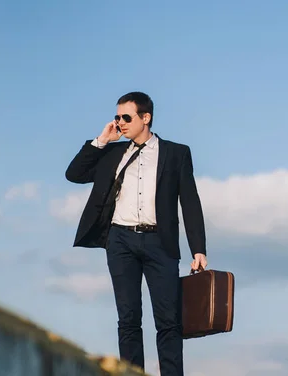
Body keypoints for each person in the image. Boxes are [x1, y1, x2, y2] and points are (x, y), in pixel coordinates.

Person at [65, 91, 207, 376]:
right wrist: (102, 140)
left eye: (126, 117)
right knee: (128, 319)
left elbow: (189, 201)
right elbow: (74, 174)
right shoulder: (112, 153)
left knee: (168, 320)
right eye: (117, 117)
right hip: (120, 241)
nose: (120, 122)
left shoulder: (176, 153)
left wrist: (198, 249)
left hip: (160, 242)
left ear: (146, 118)